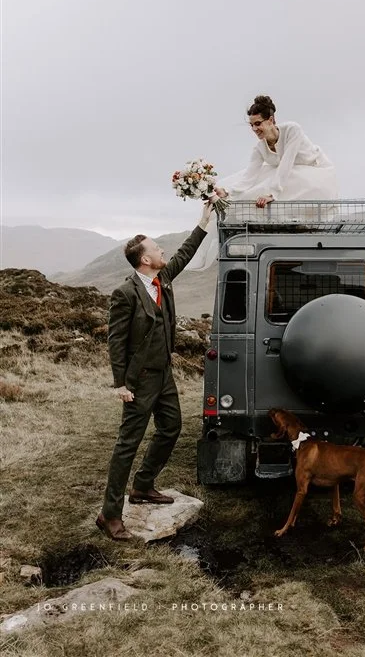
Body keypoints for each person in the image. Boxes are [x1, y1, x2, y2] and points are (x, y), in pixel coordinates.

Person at [96, 202, 213, 541]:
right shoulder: (125, 293)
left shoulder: (162, 278)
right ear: (144, 259)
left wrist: (203, 221)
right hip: (138, 379)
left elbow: (186, 254)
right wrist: (120, 383)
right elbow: (116, 340)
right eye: (157, 248)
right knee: (126, 445)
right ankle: (110, 514)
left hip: (164, 375)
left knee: (171, 427)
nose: (163, 251)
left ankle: (143, 485)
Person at [186, 95, 338, 270]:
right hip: (286, 174)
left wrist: (272, 194)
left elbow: (287, 163)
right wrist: (227, 192)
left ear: (271, 120)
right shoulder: (259, 148)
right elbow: (249, 177)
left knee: (274, 182)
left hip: (313, 171)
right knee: (254, 185)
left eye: (257, 123)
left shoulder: (292, 130)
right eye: (251, 125)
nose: (254, 129)